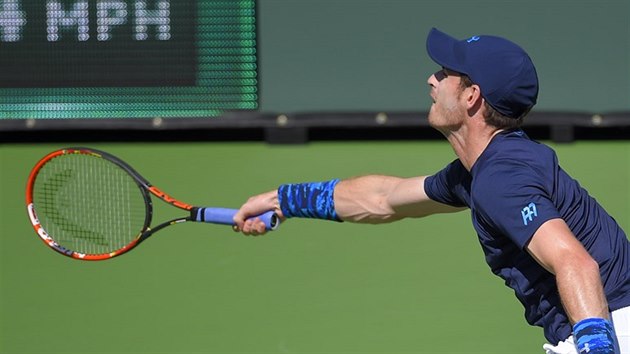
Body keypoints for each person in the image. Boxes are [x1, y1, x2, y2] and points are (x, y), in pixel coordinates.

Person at [233, 28, 630, 354]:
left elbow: (576, 263)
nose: (432, 79)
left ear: (471, 96)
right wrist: (282, 200)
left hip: (604, 330)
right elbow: (383, 199)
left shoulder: (500, 179)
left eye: (445, 73)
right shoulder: (483, 171)